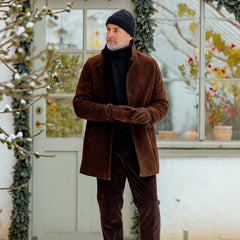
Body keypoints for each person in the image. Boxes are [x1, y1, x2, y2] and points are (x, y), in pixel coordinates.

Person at [73, 9, 169, 240]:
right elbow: (80, 105)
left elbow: (161, 104)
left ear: (130, 36)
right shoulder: (92, 66)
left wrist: (145, 115)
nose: (110, 34)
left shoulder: (149, 65)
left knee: (150, 210)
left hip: (141, 151)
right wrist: (110, 112)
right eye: (108, 29)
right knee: (109, 213)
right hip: (106, 152)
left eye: (116, 30)